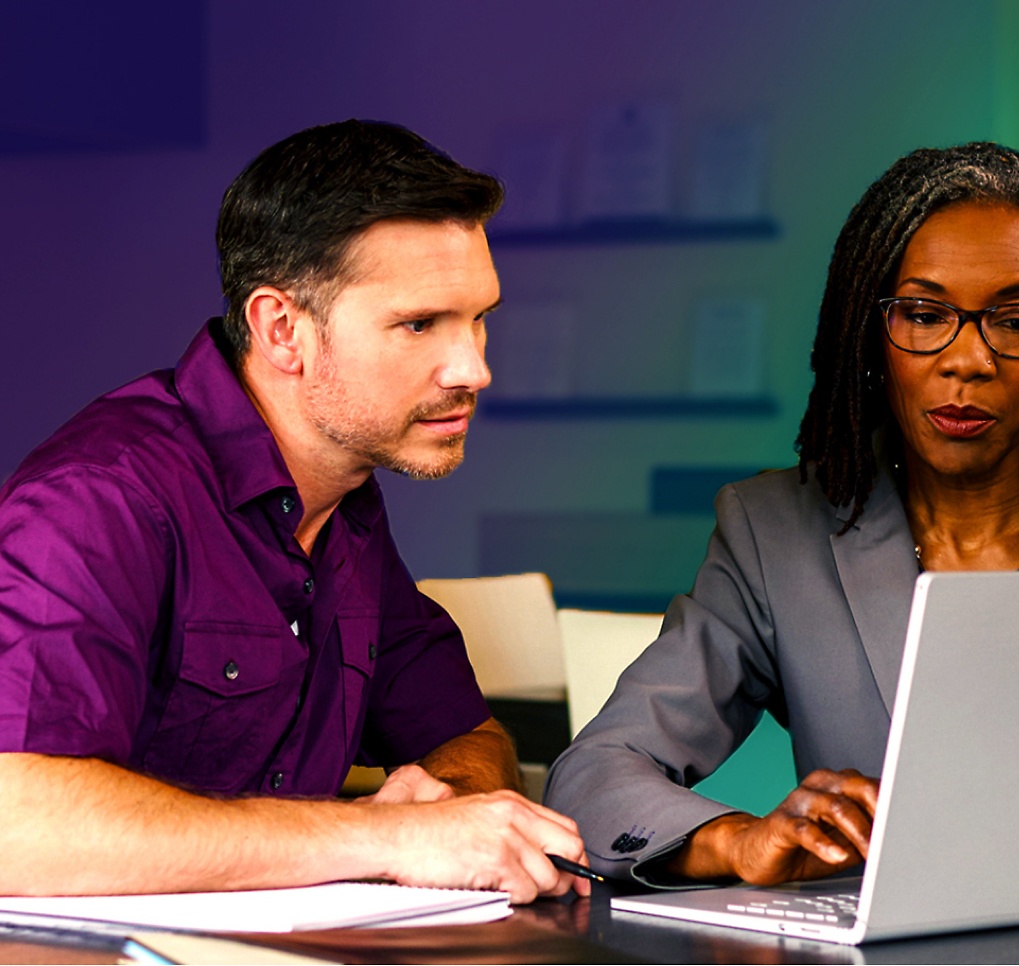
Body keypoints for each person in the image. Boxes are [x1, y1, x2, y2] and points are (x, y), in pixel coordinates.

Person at [544, 142, 1019, 889]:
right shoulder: (773, 530)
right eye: (923, 314)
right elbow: (595, 773)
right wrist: (738, 841)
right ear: (870, 335)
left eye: (1017, 321)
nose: (968, 358)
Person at [0, 120, 588, 903]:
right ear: (282, 330)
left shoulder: (344, 509)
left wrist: (447, 807)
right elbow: (18, 822)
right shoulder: (100, 497)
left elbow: (465, 735)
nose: (475, 367)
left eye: (478, 317)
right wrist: (387, 837)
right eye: (420, 324)